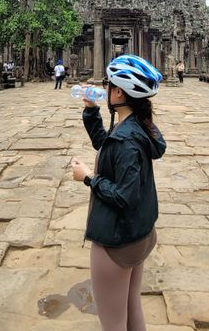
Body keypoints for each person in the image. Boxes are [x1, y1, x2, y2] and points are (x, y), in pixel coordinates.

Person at [71, 54, 166, 331]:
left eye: (107, 84)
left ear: (119, 92)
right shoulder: (136, 127)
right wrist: (91, 111)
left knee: (112, 323)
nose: (104, 88)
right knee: (131, 307)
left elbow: (124, 196)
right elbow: (106, 145)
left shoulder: (127, 138)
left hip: (117, 241)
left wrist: (88, 177)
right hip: (139, 235)